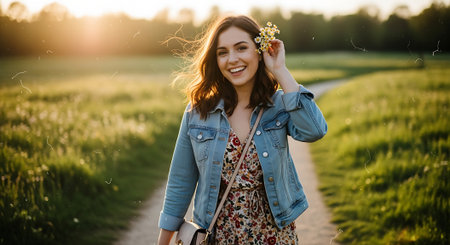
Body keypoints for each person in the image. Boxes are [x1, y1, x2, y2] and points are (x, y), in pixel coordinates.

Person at [158, 15, 327, 244]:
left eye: (241, 48)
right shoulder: (198, 112)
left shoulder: (278, 104)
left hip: (274, 236)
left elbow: (315, 130)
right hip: (217, 236)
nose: (232, 59)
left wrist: (280, 69)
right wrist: (163, 241)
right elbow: (180, 180)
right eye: (223, 52)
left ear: (259, 51)